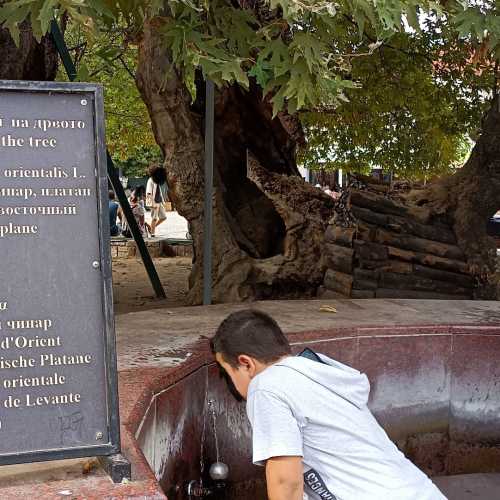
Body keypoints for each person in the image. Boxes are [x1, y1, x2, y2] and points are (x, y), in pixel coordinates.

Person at [211, 310, 447, 500]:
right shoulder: (316, 373)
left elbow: (286, 484)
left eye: (226, 373)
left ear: (245, 364)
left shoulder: (267, 386)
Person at [146, 164, 167, 237]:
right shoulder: (150, 180)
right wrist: (153, 204)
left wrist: (163, 201)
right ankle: (152, 233)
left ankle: (151, 227)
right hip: (154, 202)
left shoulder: (157, 179)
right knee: (154, 218)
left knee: (163, 217)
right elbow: (149, 193)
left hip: (159, 201)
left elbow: (159, 191)